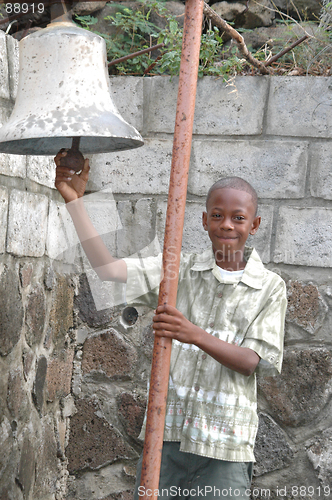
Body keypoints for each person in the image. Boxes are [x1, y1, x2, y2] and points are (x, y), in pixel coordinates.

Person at [55, 151, 287, 499]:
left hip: (226, 450)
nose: (227, 225)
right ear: (204, 220)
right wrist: (75, 200)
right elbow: (109, 269)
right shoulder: (178, 270)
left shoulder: (270, 287)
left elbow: (252, 361)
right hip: (167, 440)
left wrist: (192, 334)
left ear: (253, 225)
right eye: (219, 216)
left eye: (238, 218)